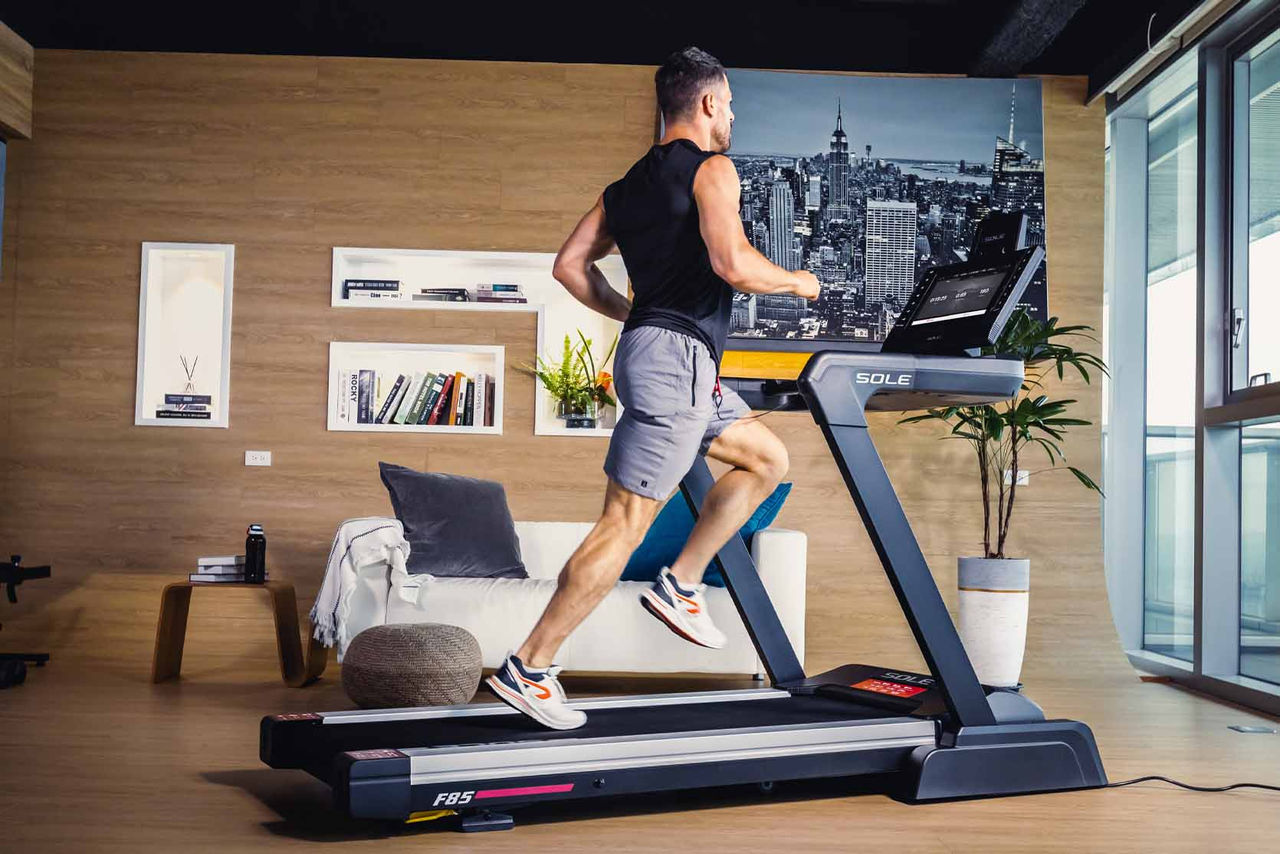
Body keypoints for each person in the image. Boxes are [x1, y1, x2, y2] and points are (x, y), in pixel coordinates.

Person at [486, 46, 821, 729]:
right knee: (625, 522)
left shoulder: (625, 188)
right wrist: (797, 281)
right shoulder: (712, 169)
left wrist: (631, 314)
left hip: (670, 356)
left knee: (768, 461)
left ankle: (681, 581)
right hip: (676, 362)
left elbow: (569, 267)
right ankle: (530, 664)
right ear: (705, 103)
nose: (731, 116)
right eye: (728, 104)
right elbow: (732, 264)